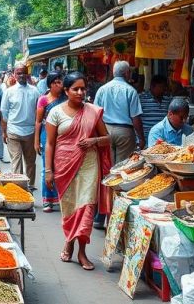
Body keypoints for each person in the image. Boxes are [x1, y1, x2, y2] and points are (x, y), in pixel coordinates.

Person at [44, 71, 111, 272]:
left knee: (86, 207)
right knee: (70, 208)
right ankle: (69, 242)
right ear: (66, 91)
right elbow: (49, 143)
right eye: (76, 89)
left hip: (89, 164)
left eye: (83, 88)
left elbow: (107, 138)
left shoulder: (92, 111)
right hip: (64, 166)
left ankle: (82, 252)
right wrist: (49, 171)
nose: (81, 92)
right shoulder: (55, 112)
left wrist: (94, 140)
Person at [1, 65, 40, 187]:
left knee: (30, 162)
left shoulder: (35, 91)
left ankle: (30, 186)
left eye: (23, 73)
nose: (21, 75)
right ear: (14, 75)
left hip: (30, 132)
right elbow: (4, 113)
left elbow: (38, 112)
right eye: (18, 73)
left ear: (27, 74)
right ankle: (18, 188)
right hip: (13, 131)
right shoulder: (9, 92)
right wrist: (4, 132)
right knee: (16, 162)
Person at [35, 71, 65, 212]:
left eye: (61, 82)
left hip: (63, 135)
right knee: (46, 168)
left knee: (61, 167)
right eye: (56, 82)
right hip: (47, 135)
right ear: (50, 84)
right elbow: (38, 121)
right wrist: (36, 142)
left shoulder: (66, 99)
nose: (60, 85)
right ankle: (47, 200)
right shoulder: (44, 100)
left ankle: (60, 198)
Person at [139, 75, 172, 142]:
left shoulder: (168, 100)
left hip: (163, 139)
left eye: (165, 87)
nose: (164, 89)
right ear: (152, 86)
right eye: (161, 87)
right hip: (146, 138)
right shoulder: (141, 99)